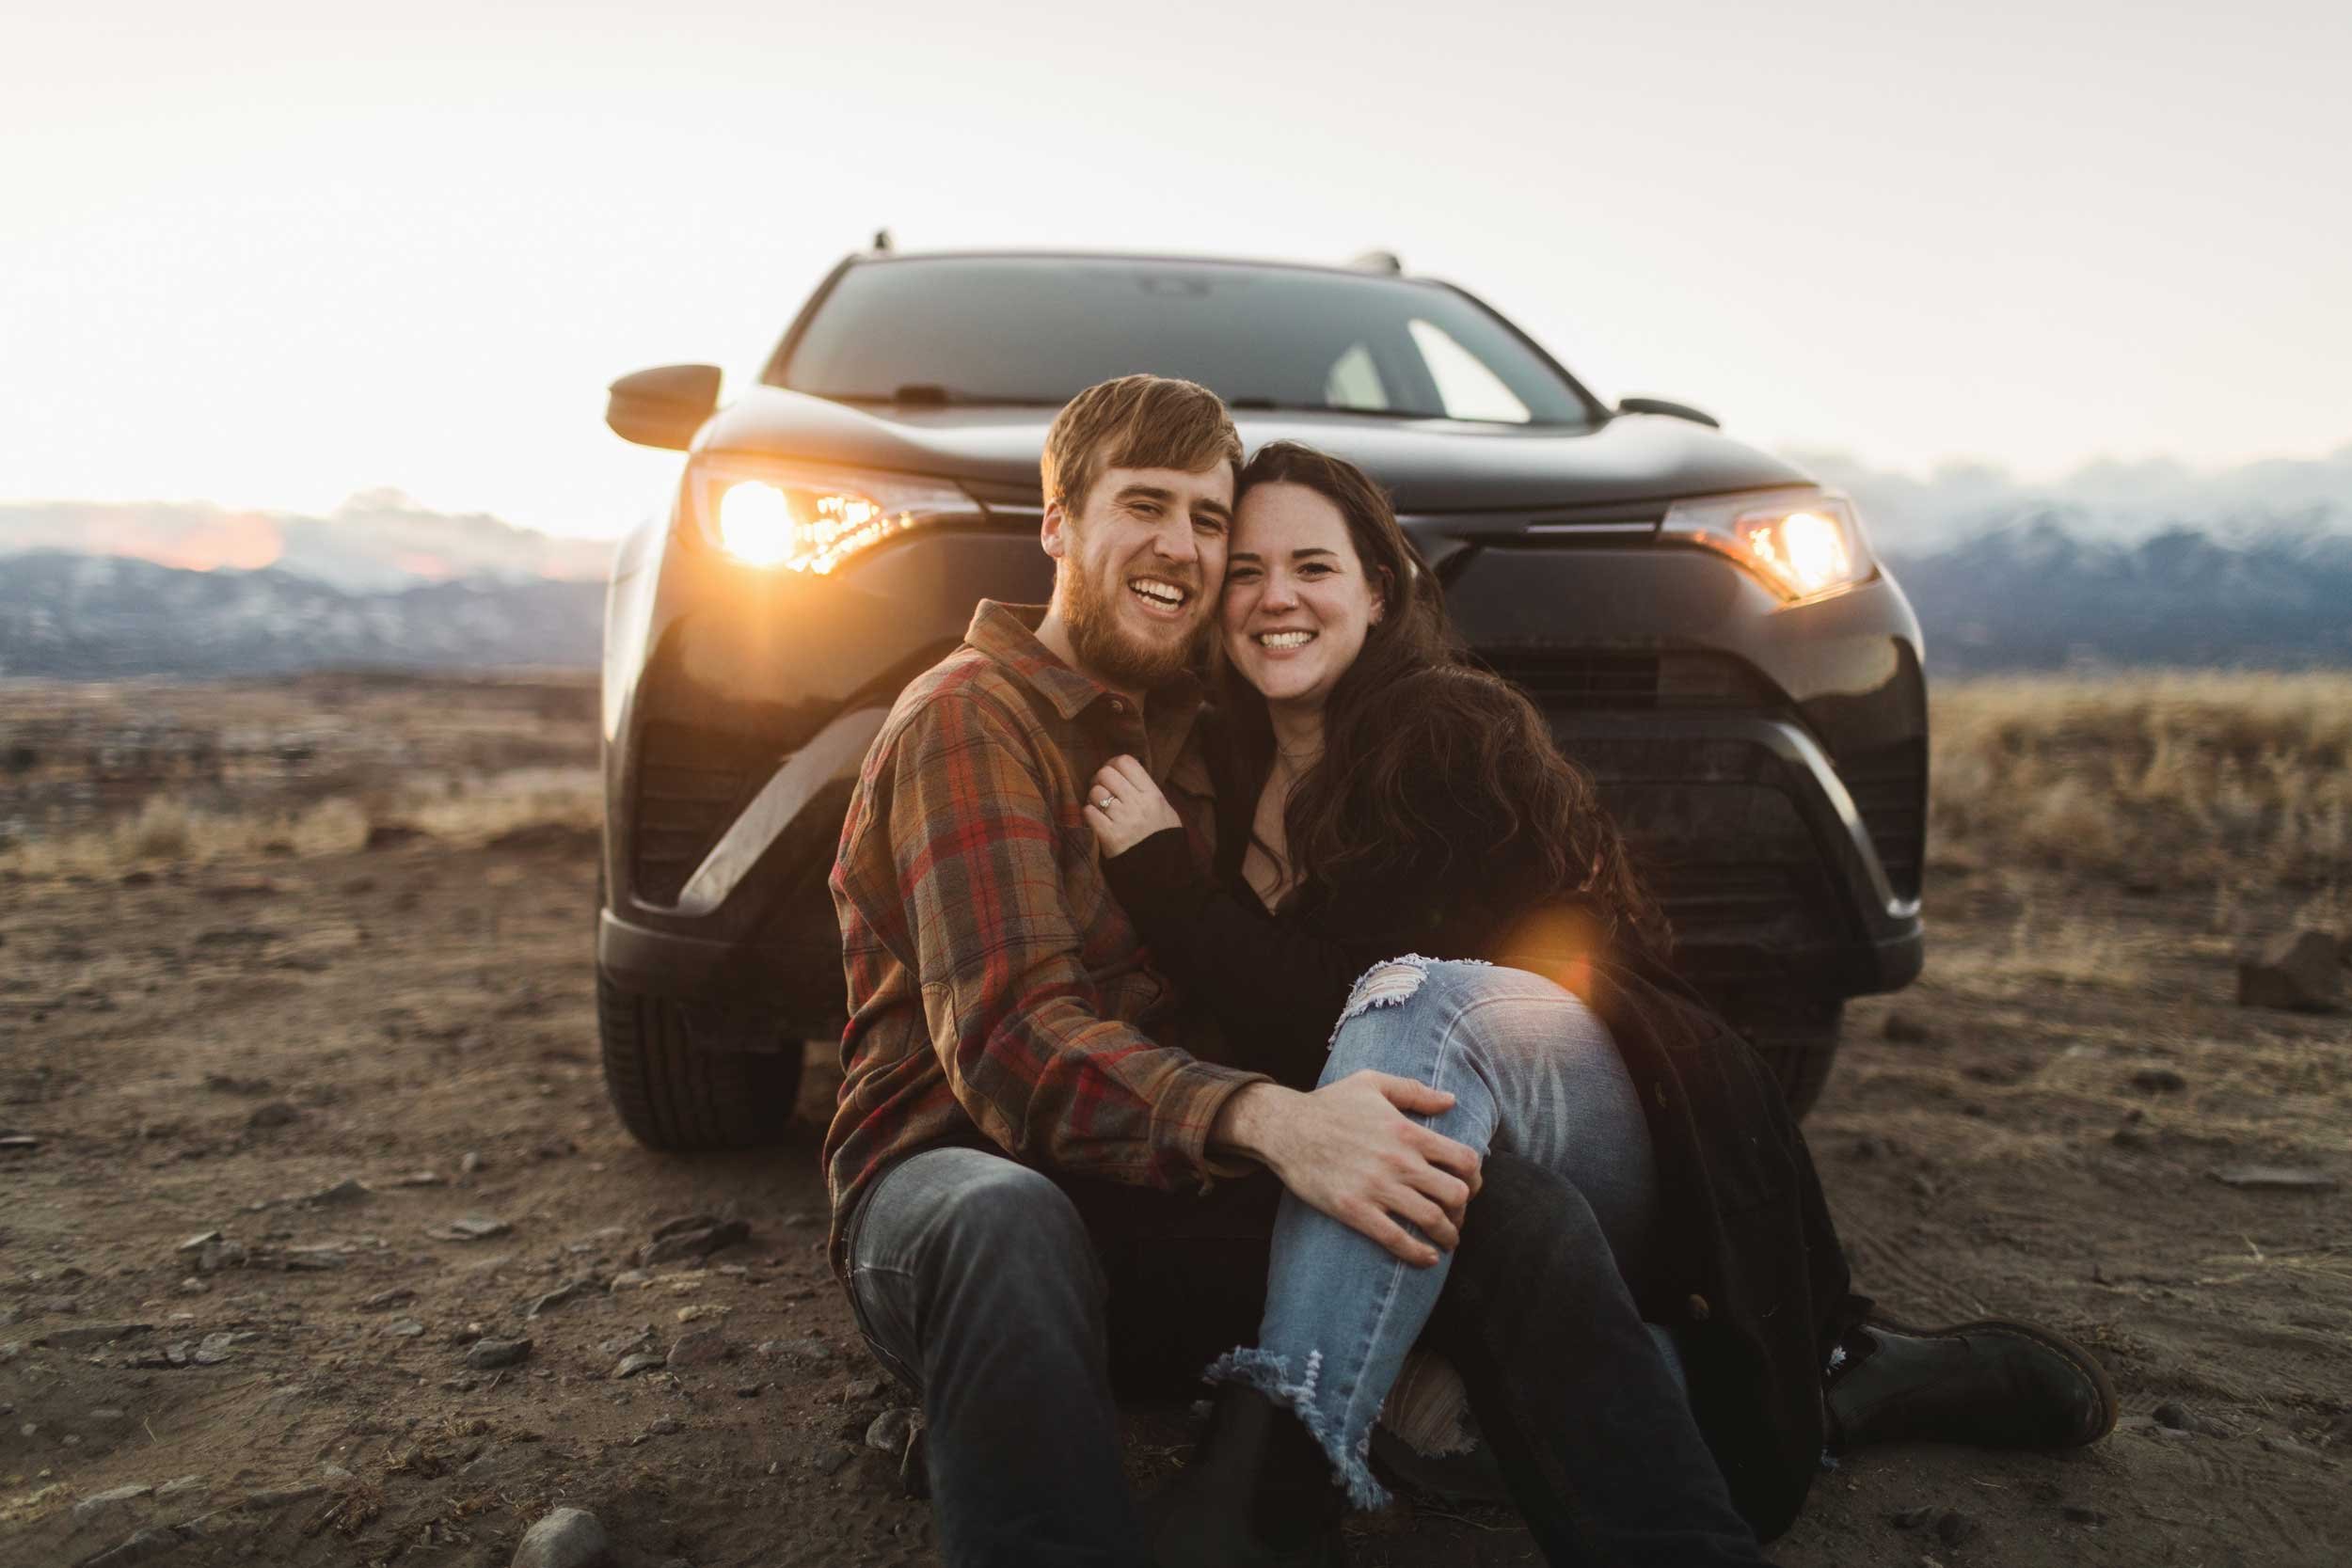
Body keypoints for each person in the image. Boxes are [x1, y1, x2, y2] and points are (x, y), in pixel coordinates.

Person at [1082, 439, 2119, 1561]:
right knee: (1453, 1419)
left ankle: (1264, 1478)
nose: (1274, 596)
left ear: (1376, 592)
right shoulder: (1221, 773)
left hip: (1588, 1117)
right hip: (1463, 1203)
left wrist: (1167, 880)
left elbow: (1344, 1038)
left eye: (1313, 567)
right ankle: (1840, 1381)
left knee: (1411, 996)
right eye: (1243, 569)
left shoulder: (1441, 730)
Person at [826, 375, 1681, 1568]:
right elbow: (1012, 1043)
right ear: (1057, 525)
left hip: (1146, 1197)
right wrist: (1269, 1118)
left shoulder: (1193, 727)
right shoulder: (970, 719)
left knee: (1450, 1188)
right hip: (951, 1190)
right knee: (1001, 1214)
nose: (1182, 545)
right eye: (1144, 504)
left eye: (1207, 518)